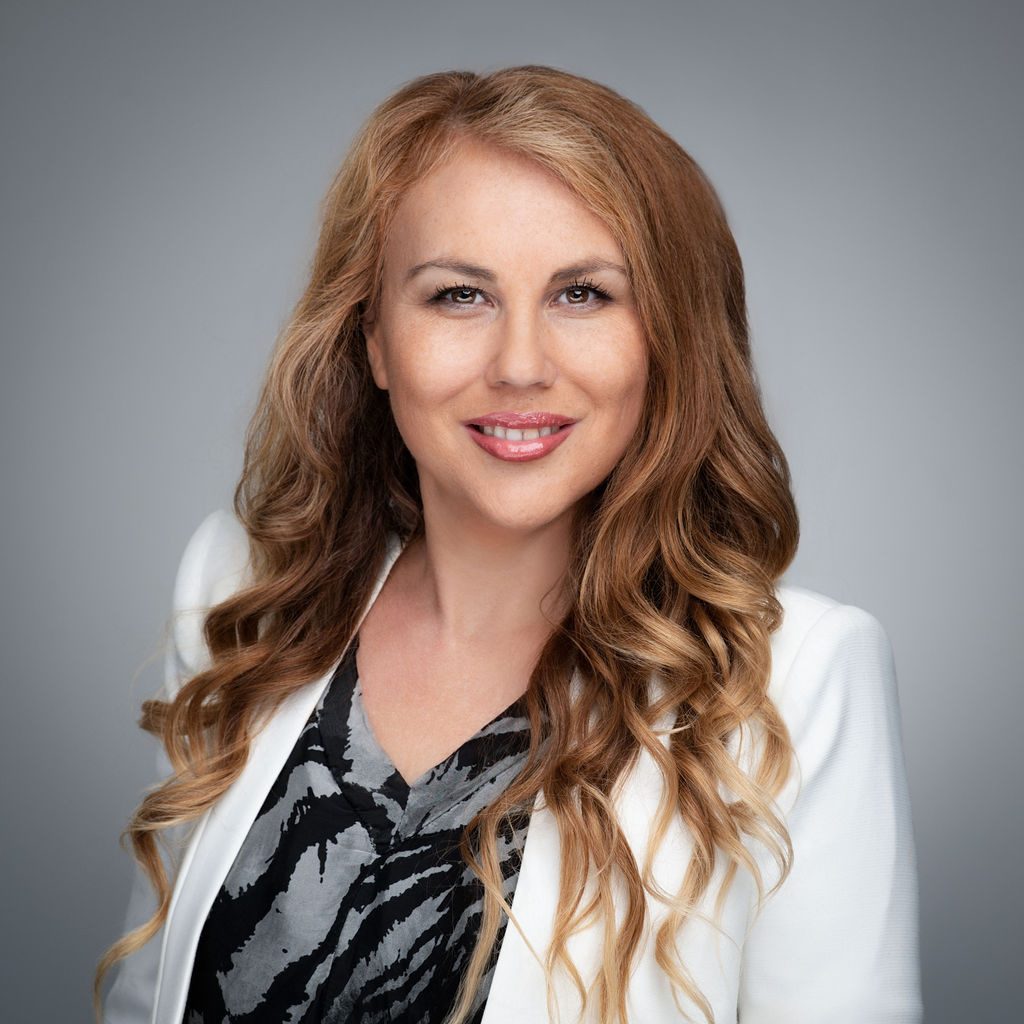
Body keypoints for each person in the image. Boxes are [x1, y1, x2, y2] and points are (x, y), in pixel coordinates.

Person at [95, 65, 922, 1024]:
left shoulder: (795, 682)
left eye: (583, 294)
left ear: (668, 341)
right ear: (373, 338)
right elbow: (143, 998)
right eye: (458, 296)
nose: (521, 366)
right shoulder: (242, 588)